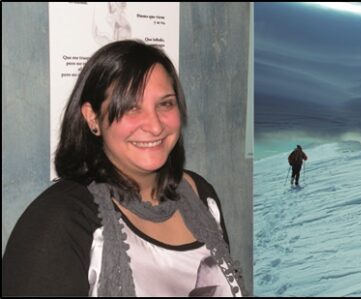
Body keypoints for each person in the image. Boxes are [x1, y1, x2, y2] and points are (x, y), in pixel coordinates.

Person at [1, 40, 243, 296]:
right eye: (131, 107)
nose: (155, 125)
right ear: (92, 117)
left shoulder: (201, 197)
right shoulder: (58, 221)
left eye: (165, 104)